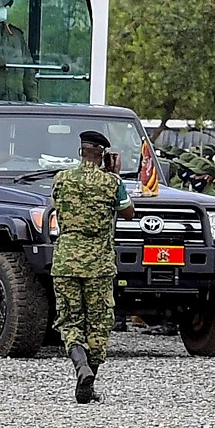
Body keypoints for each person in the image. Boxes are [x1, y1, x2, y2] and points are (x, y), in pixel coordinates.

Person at [50, 129, 123, 402]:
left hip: (66, 260)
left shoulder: (62, 179)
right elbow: (128, 211)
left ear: (81, 152)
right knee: (98, 323)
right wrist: (114, 174)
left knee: (70, 320)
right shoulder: (111, 183)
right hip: (98, 264)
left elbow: (58, 206)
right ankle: (89, 380)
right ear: (103, 154)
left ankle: (80, 366)